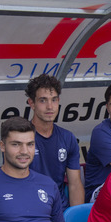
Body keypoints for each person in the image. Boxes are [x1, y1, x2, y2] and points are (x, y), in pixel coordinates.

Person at [23, 75, 84, 209]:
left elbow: (74, 184)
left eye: (54, 100)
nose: (50, 107)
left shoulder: (68, 138)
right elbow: (16, 185)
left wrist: (76, 218)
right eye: (43, 100)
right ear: (31, 103)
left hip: (60, 212)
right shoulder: (20, 138)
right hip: (31, 212)